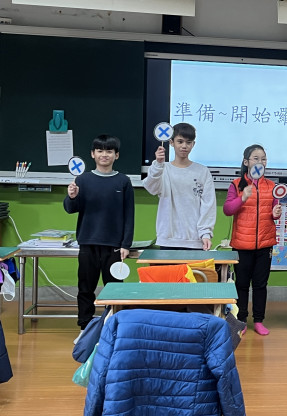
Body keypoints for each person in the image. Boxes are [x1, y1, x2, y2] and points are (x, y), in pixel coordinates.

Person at [63, 134, 134, 341]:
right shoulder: (82, 180)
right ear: (93, 154)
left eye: (109, 151)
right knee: (86, 288)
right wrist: (72, 196)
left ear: (116, 155)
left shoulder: (123, 181)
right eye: (100, 151)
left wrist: (126, 244)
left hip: (114, 246)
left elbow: (129, 215)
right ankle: (85, 328)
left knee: (115, 290)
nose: (105, 154)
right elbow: (70, 208)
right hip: (88, 243)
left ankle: (115, 328)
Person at [223, 144, 282, 336]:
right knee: (241, 285)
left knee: (260, 285)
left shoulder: (272, 186)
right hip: (242, 244)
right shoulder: (236, 184)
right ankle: (241, 320)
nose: (260, 162)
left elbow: (274, 214)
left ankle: (258, 320)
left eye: (263, 159)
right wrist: (242, 197)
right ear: (246, 162)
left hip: (265, 244)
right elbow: (227, 210)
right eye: (256, 158)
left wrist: (276, 213)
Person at [143, 123, 216, 250]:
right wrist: (158, 164)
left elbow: (208, 205)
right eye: (180, 141)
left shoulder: (202, 171)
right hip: (168, 240)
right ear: (171, 142)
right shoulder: (163, 169)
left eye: (188, 142)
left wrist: (205, 233)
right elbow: (151, 188)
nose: (184, 146)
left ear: (193, 144)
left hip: (195, 240)